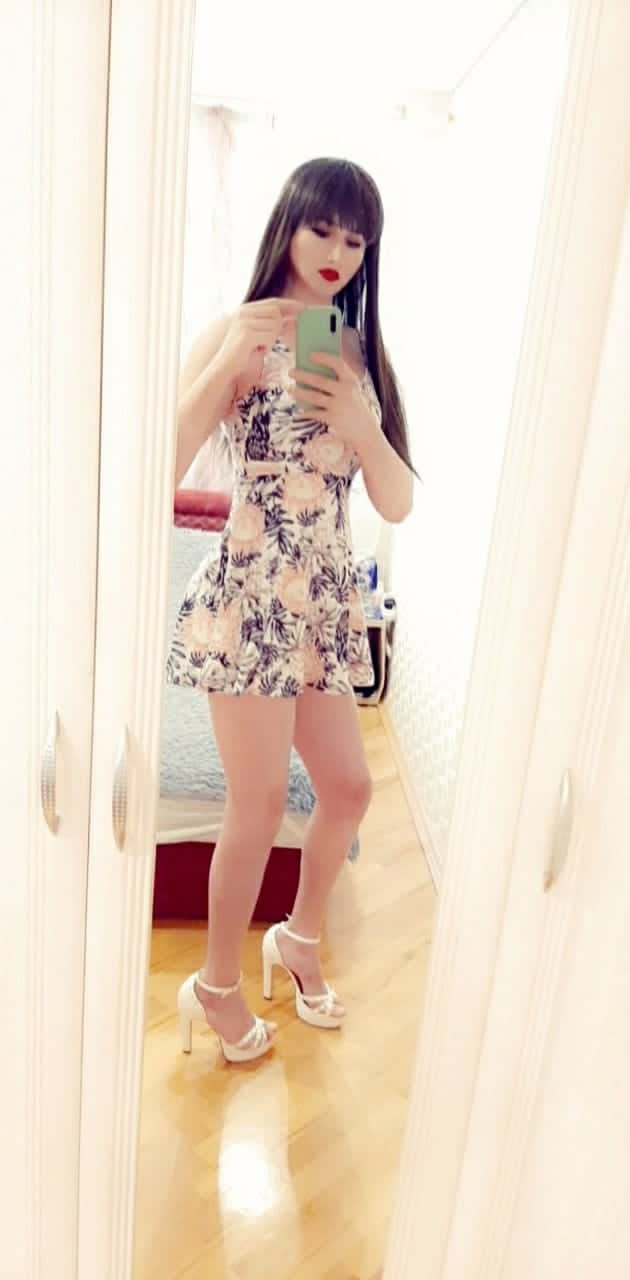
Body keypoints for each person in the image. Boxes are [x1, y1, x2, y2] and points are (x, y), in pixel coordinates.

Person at [171, 156, 415, 1063]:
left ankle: (299, 939)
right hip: (248, 598)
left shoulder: (358, 355)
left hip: (320, 608)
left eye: (357, 239)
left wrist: (361, 426)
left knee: (348, 788)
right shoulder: (233, 331)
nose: (338, 252)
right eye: (323, 229)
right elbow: (159, 466)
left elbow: (396, 501)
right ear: (289, 224)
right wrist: (229, 361)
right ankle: (216, 987)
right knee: (261, 800)